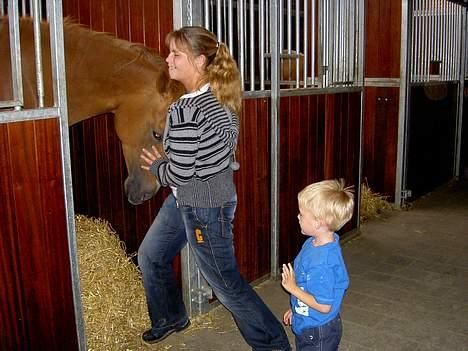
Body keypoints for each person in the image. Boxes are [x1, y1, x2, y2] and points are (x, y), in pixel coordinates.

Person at [138, 26, 291, 350]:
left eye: (176, 54)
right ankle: (169, 316)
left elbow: (180, 172)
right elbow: (209, 156)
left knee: (226, 285)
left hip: (201, 206)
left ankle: (273, 343)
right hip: (200, 198)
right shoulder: (217, 98)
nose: (168, 58)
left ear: (199, 60)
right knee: (151, 254)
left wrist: (157, 167)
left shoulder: (185, 109)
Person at [281, 179, 353, 351]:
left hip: (318, 330)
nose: (298, 217)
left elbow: (323, 305)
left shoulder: (323, 264)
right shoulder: (314, 243)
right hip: (310, 322)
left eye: (302, 214)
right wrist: (298, 310)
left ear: (318, 222)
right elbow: (309, 286)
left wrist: (293, 289)